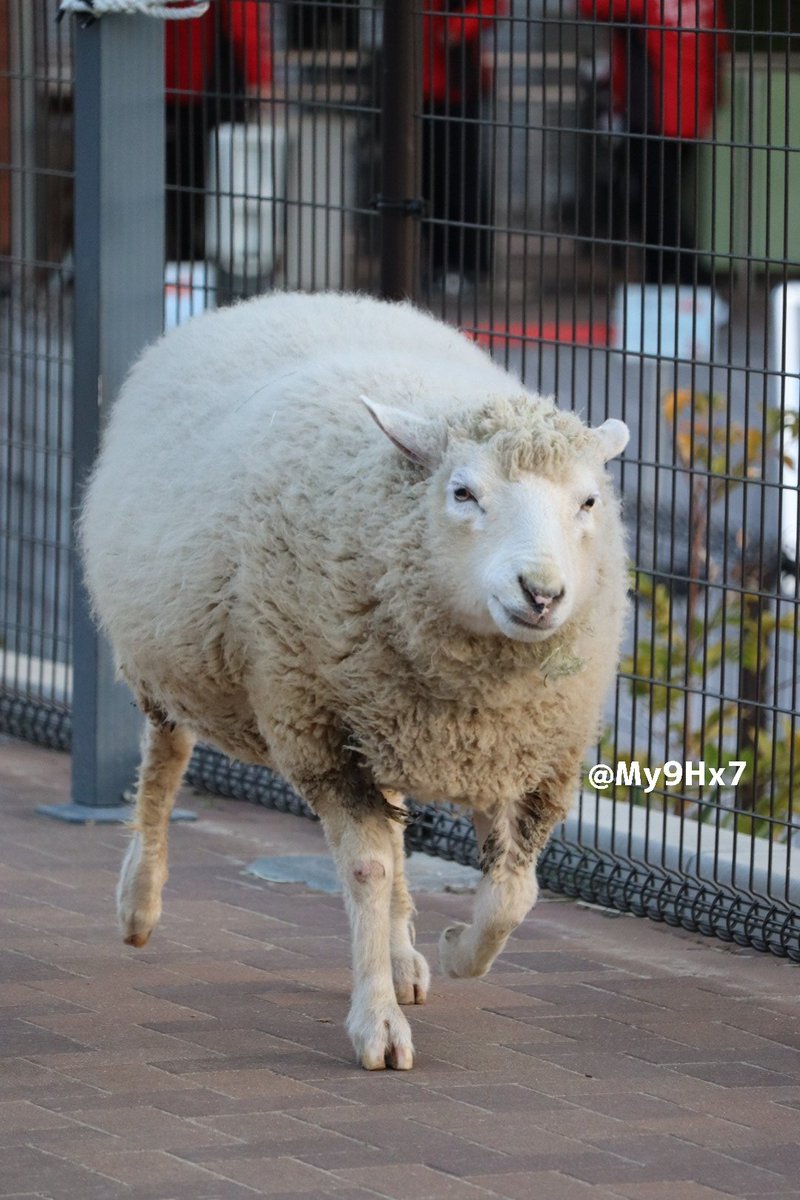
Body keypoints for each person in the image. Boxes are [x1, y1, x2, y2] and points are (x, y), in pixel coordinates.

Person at [578, 0, 728, 283]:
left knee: (653, 201)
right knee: (658, 199)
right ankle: (662, 276)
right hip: (687, 112)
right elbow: (718, 48)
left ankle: (689, 275)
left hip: (653, 115)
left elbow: (590, 6)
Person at [165, 0, 272, 262]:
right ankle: (211, 264)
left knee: (177, 178)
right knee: (222, 179)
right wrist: (260, 77)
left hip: (167, 77)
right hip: (211, 83)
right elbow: (242, 24)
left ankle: (179, 259)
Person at [421, 0, 499, 291]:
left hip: (457, 90)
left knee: (460, 182)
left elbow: (491, 7)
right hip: (422, 88)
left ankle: (463, 266)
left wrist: (456, 28)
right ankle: (439, 265)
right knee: (429, 183)